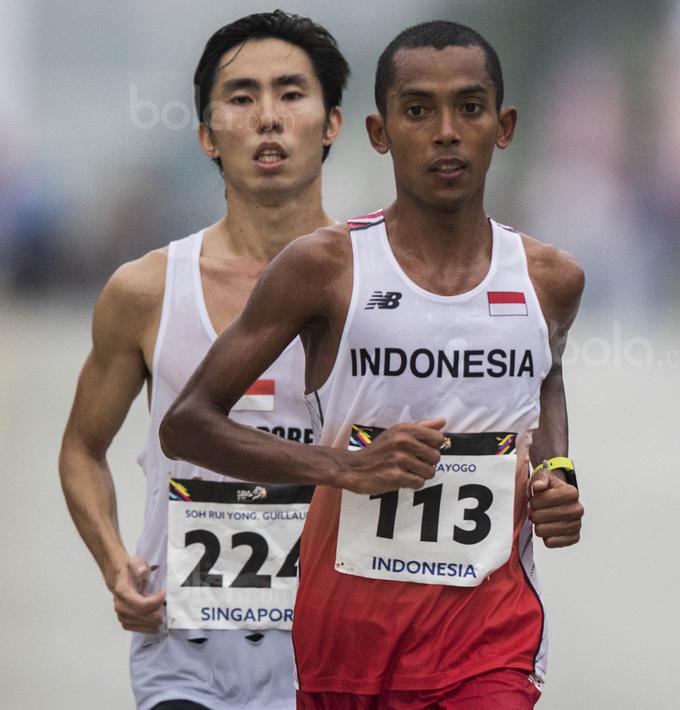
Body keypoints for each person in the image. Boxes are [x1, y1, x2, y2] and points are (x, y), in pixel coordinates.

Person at [159, 20, 585, 709]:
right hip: (346, 643)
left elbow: (546, 373)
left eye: (469, 108)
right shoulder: (323, 268)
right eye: (418, 111)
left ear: (502, 126)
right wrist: (346, 469)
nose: (445, 132)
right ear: (379, 131)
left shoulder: (550, 277)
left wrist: (554, 472)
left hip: (489, 646)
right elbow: (188, 425)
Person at [58, 11, 348, 709]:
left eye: (291, 94)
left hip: (340, 654)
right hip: (184, 660)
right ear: (206, 134)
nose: (267, 118)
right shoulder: (145, 290)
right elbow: (81, 449)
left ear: (332, 123)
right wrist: (114, 563)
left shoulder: (386, 285)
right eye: (241, 98)